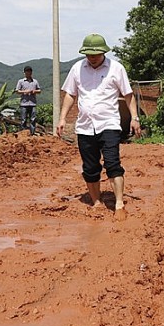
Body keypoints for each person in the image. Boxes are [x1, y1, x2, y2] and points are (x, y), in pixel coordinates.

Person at [57, 33, 142, 220]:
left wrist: (135, 117)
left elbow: (128, 95)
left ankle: (119, 203)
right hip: (85, 126)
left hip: (109, 123)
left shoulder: (116, 68)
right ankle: (96, 201)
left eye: (95, 54)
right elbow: (70, 94)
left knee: (112, 163)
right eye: (89, 54)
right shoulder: (77, 68)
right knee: (90, 167)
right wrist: (62, 118)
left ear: (103, 52)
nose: (92, 57)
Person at [15, 65, 41, 135]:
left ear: (31, 72)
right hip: (24, 103)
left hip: (33, 103)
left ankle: (32, 133)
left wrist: (34, 91)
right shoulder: (21, 81)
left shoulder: (35, 81)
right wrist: (24, 92)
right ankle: (23, 133)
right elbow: (17, 91)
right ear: (24, 73)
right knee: (23, 119)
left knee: (33, 119)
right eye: (26, 72)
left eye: (29, 71)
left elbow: (39, 90)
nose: (28, 73)